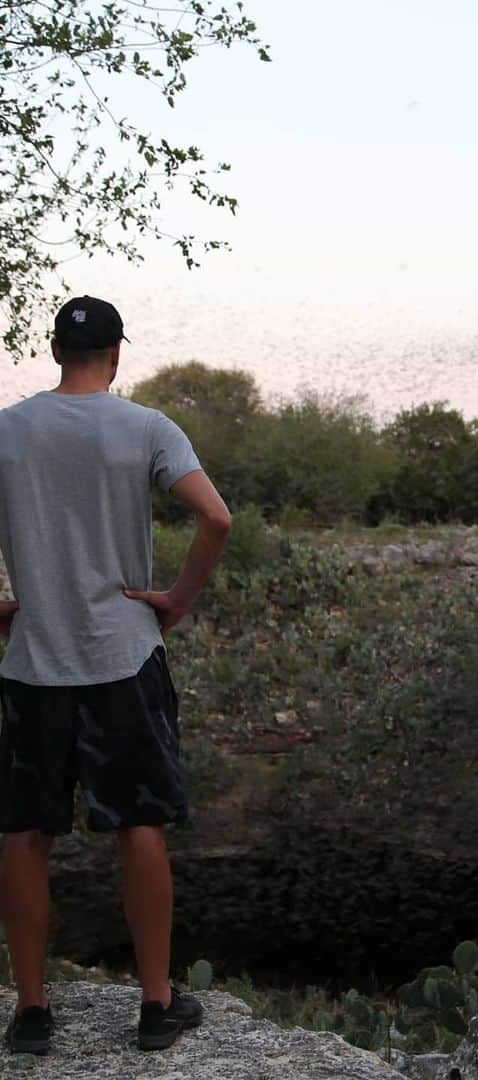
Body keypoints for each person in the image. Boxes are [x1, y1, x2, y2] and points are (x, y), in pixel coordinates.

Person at [0, 296, 232, 1055]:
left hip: (33, 661)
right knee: (140, 826)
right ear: (117, 353)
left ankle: (31, 1012)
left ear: (56, 354)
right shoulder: (146, 427)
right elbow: (217, 518)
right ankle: (155, 1005)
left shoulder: (8, 429)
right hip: (122, 658)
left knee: (26, 832)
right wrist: (176, 601)